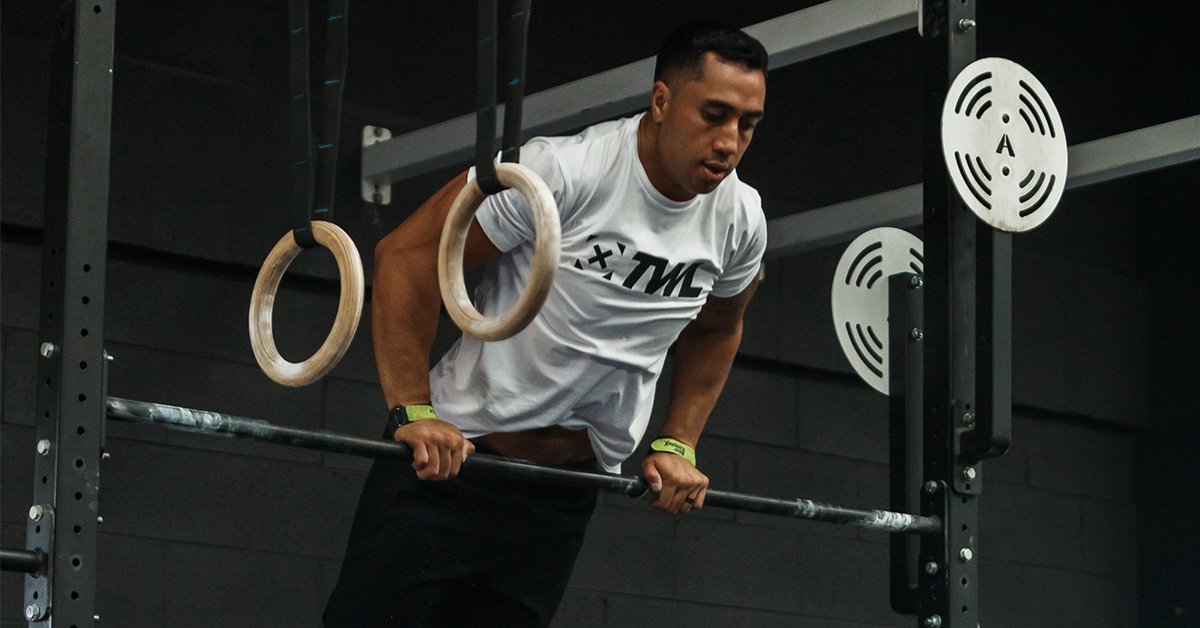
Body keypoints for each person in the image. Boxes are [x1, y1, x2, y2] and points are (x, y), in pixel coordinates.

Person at [324, 21, 769, 628]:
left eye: (747, 124)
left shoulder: (740, 218)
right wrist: (413, 410)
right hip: (454, 466)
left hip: (563, 493)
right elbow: (408, 256)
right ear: (662, 101)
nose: (729, 141)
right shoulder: (561, 172)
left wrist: (678, 441)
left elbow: (719, 326)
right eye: (714, 115)